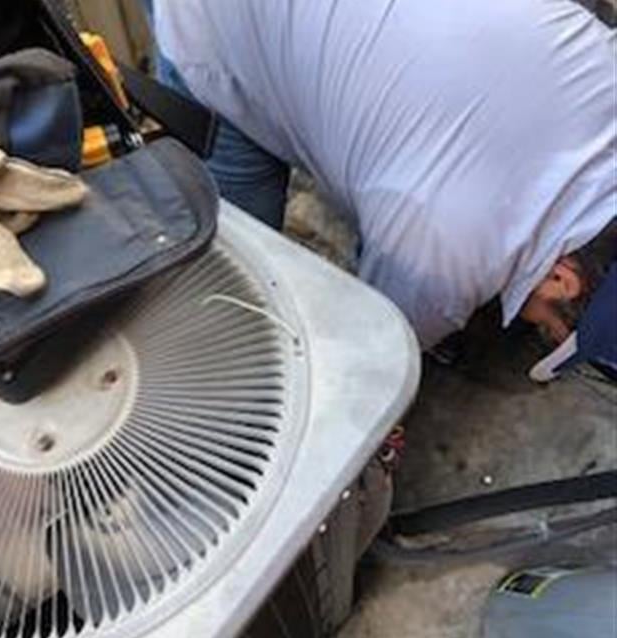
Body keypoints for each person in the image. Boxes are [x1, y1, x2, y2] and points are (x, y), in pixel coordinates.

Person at [149, 0, 616, 378]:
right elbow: (368, 365)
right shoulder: (440, 260)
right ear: (561, 279)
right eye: (554, 331)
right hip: (216, 23)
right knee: (241, 272)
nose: (545, 333)